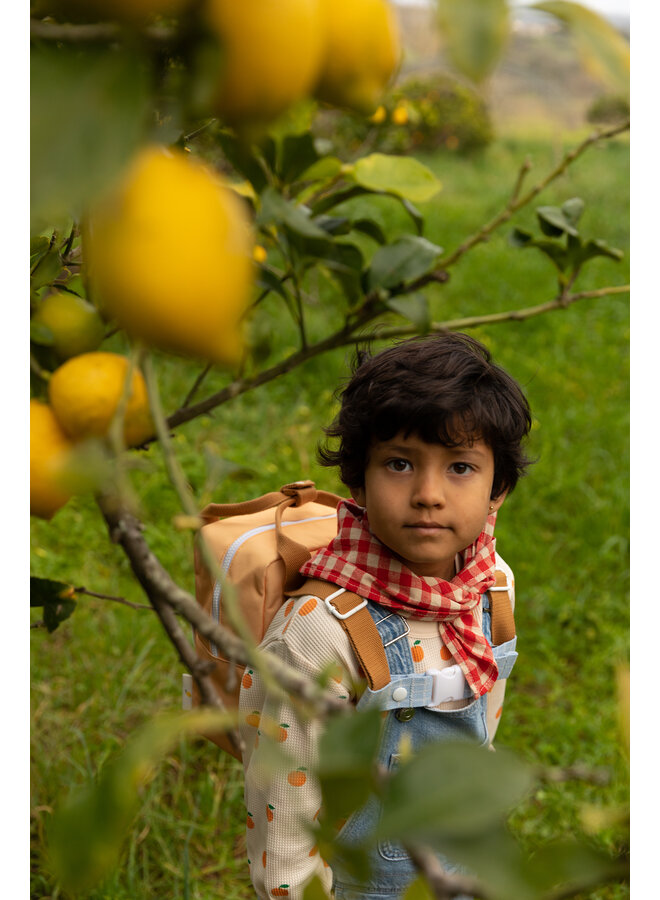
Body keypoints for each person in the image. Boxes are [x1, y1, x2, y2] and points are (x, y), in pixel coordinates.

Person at [238, 332, 533, 899]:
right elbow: (286, 807)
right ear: (357, 479)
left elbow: (482, 734)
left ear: (498, 488)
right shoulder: (319, 630)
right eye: (399, 464)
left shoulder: (492, 589)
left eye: (460, 468)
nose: (427, 493)